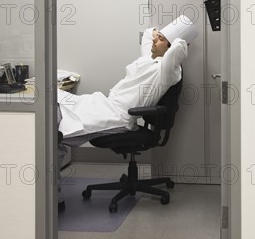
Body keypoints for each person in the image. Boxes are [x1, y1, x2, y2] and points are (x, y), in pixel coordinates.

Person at [57, 15, 198, 211]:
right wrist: (160, 35)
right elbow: (149, 34)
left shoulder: (168, 71)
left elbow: (179, 48)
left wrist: (175, 39)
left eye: (161, 40)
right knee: (59, 102)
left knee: (59, 132)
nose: (154, 41)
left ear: (170, 46)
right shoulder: (148, 59)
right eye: (157, 38)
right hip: (105, 103)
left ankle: (53, 195)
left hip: (118, 117)